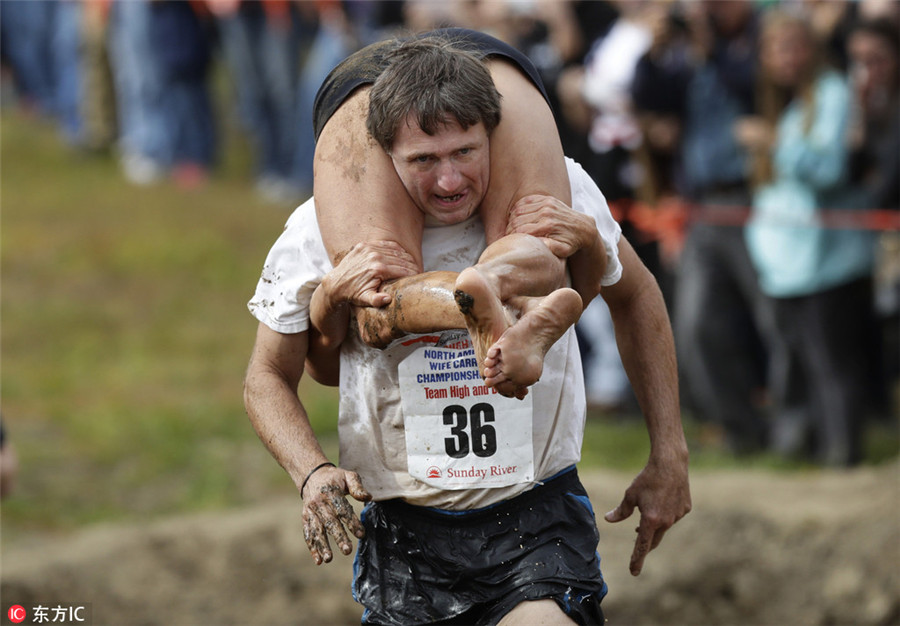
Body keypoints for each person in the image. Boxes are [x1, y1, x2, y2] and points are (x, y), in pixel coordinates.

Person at [245, 31, 691, 625]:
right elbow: (266, 377)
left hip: (534, 515)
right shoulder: (316, 230)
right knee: (386, 303)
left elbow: (636, 295)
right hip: (405, 533)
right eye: (423, 161)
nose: (450, 182)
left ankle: (517, 313)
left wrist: (670, 452)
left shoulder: (563, 187)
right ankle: (483, 306)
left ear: (493, 137)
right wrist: (312, 472)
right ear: (386, 155)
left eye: (465, 153)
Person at [739, 9, 876, 466]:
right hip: (791, 265)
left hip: (828, 262)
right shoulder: (797, 104)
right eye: (776, 48)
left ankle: (845, 458)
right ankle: (823, 454)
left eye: (794, 45)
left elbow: (829, 170)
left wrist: (773, 143)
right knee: (808, 365)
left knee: (833, 365)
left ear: (813, 49)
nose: (786, 58)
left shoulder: (834, 94)